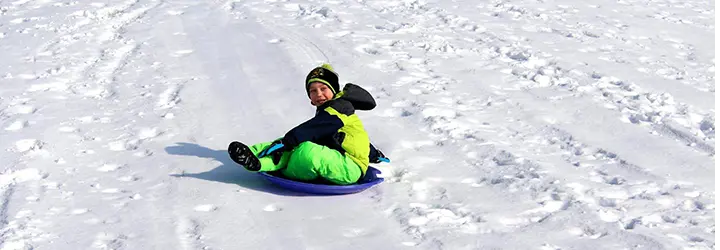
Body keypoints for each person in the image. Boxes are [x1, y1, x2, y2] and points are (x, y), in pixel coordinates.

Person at [228, 63, 389, 185]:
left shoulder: (341, 108)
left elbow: (314, 128)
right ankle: (255, 159)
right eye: (313, 91)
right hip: (335, 158)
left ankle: (278, 167)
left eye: (323, 88)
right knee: (283, 144)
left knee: (304, 151)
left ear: (334, 90)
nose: (318, 94)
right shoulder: (327, 112)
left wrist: (287, 142)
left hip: (350, 167)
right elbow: (357, 140)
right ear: (310, 98)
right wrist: (375, 155)